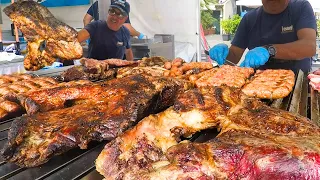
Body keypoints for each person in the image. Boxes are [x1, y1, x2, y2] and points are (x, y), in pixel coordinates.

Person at [209, 0, 317, 73]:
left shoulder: (300, 7)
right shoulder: (249, 19)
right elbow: (233, 56)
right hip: (257, 85)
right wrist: (223, 54)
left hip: (297, 84)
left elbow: (309, 47)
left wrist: (269, 50)